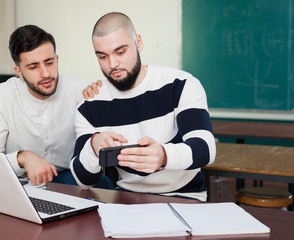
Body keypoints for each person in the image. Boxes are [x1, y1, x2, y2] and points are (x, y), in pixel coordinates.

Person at [70, 12, 216, 201]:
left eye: (120, 52)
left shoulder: (180, 84)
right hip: (126, 199)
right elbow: (83, 181)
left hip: (184, 196)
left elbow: (205, 149)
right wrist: (93, 147)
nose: (113, 64)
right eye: (102, 56)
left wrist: (163, 156)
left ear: (138, 43)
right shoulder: (89, 105)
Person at [0, 24, 113, 189]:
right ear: (18, 71)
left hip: (67, 177)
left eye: (49, 62)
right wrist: (22, 158)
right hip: (19, 182)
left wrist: (102, 96)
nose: (46, 74)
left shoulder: (80, 90)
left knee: (103, 185)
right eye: (33, 67)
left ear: (57, 59)